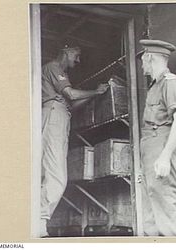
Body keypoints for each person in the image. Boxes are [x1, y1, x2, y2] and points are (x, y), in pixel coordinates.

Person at [40, 44, 109, 237]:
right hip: (54, 117)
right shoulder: (54, 67)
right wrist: (94, 92)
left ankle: (39, 221)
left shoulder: (59, 73)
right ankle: (39, 219)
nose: (77, 61)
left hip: (57, 116)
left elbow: (71, 105)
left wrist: (96, 93)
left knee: (48, 172)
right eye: (76, 56)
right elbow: (70, 94)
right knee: (57, 176)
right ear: (67, 51)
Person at [138, 39, 176, 236]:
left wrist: (165, 156)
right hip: (152, 151)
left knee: (171, 214)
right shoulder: (155, 86)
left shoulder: (172, 83)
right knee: (151, 219)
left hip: (162, 149)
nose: (142, 62)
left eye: (143, 57)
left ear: (149, 57)